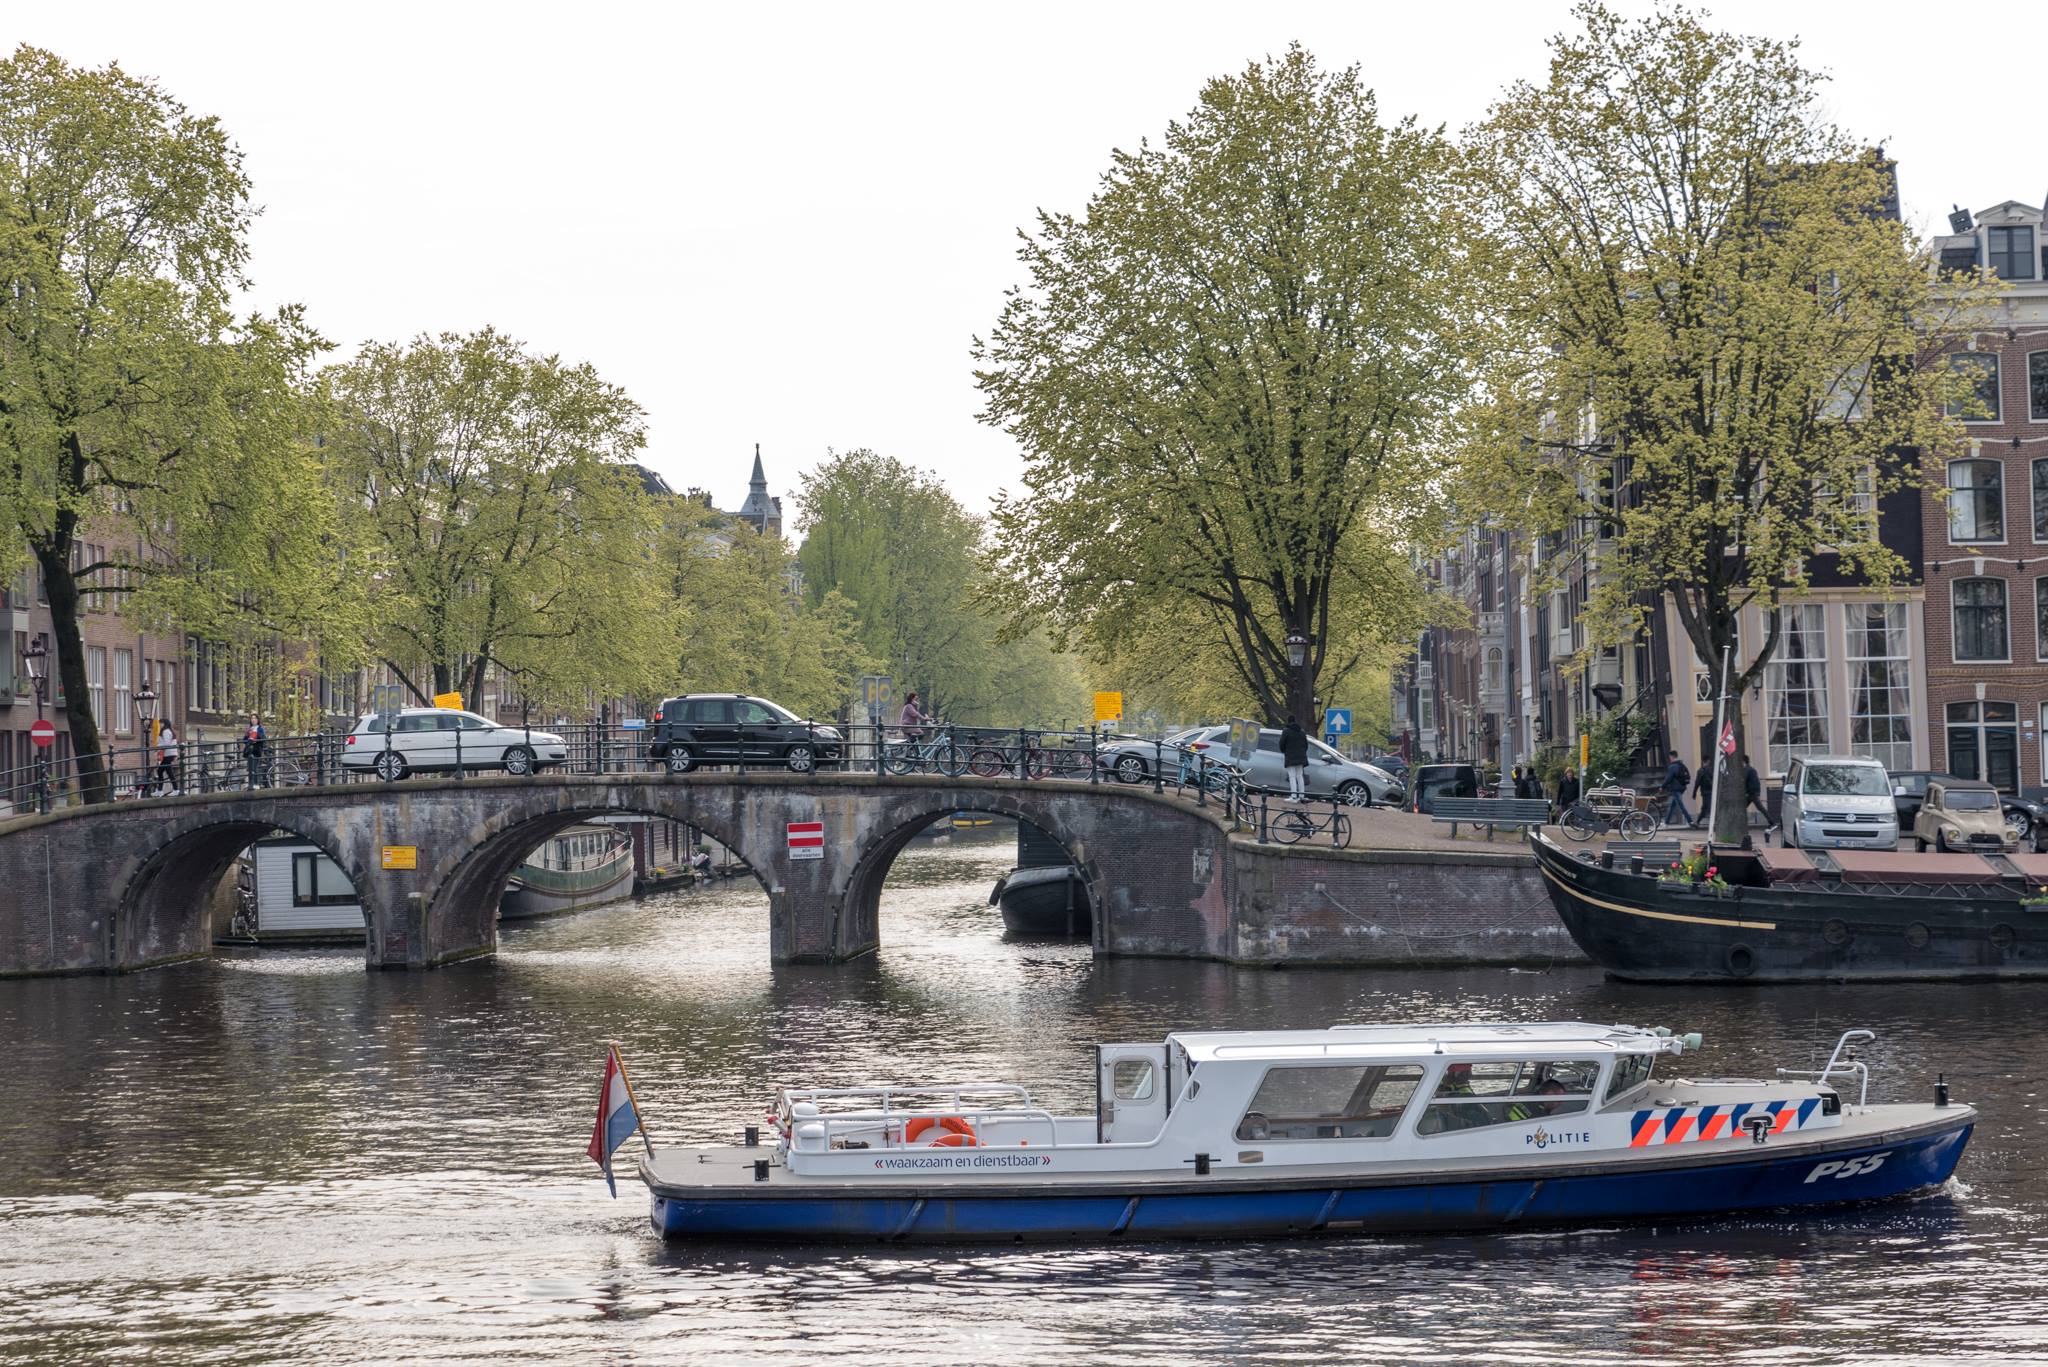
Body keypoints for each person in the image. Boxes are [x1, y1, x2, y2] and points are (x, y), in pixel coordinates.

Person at [1279, 715, 1309, 803]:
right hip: (1301, 757)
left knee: (1292, 776)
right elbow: (1306, 745)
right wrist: (1302, 753)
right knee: (1300, 775)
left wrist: (1285, 751)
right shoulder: (1302, 731)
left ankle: (1294, 796)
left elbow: (1281, 744)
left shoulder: (1286, 731)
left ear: (1288, 721)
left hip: (1290, 756)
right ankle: (1302, 796)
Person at [1660, 751, 1694, 828]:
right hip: (1682, 787)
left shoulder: (1673, 766)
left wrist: (1662, 786)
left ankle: (1690, 821)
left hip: (1675, 788)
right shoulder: (1682, 765)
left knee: (1681, 806)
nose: (1669, 759)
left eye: (1670, 757)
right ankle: (1666, 822)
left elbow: (1668, 779)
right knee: (1673, 805)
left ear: (1671, 757)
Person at [1744, 762, 1773, 831]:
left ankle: (1772, 822)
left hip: (1751, 793)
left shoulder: (1747, 770)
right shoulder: (1751, 770)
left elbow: (1746, 781)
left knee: (1741, 808)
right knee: (1761, 808)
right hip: (1753, 793)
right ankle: (1772, 822)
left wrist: (1747, 792)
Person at [242, 713, 268, 789]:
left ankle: (256, 784)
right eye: (252, 718)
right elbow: (244, 739)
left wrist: (256, 738)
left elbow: (263, 738)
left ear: (258, 720)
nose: (253, 720)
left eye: (255, 718)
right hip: (250, 750)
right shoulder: (249, 728)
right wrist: (248, 738)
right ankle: (251, 783)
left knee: (254, 767)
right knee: (250, 768)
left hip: (256, 750)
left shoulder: (260, 728)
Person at [154, 722, 180, 795]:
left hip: (169, 754)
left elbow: (167, 743)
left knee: (163, 771)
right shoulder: (169, 731)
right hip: (169, 753)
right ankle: (161, 790)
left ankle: (174, 790)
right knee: (163, 771)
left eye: (161, 723)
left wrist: (157, 747)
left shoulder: (166, 731)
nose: (160, 725)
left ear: (164, 724)